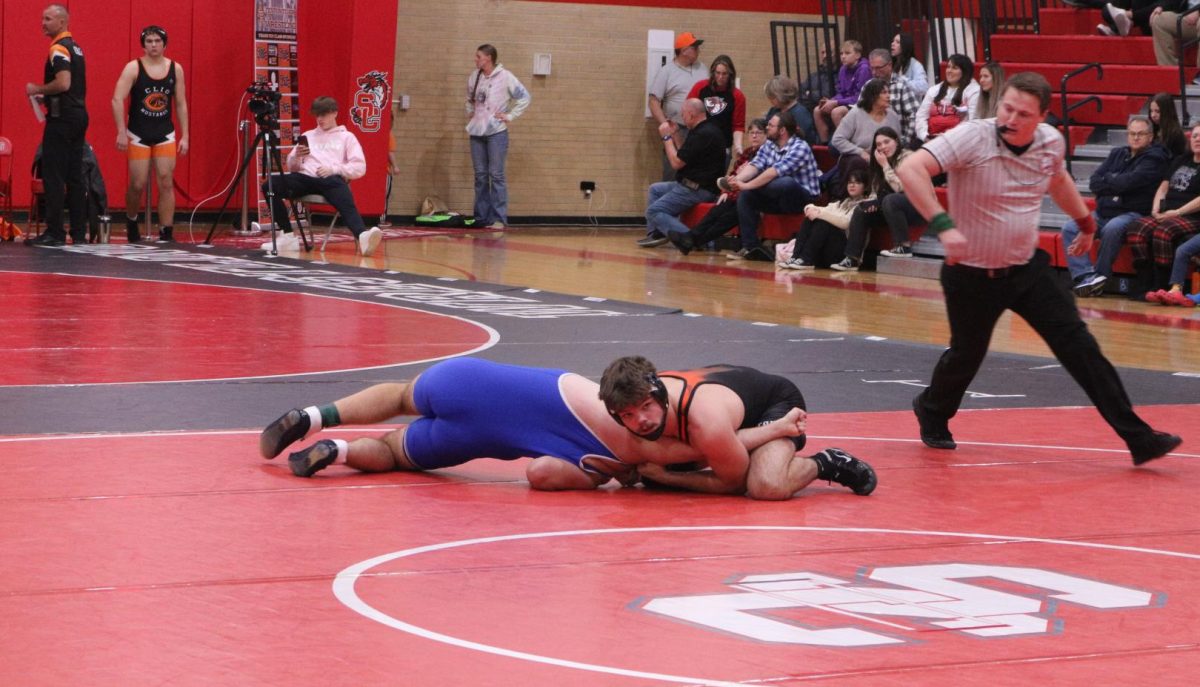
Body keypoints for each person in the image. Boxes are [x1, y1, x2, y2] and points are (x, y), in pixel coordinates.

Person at [897, 71, 1182, 466]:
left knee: (1081, 347)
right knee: (967, 354)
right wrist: (944, 227)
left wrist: (1085, 221)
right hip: (972, 272)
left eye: (1023, 113)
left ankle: (1139, 438)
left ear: (1043, 117)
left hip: (1026, 269)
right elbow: (910, 169)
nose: (1010, 118)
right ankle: (932, 408)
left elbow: (1058, 179)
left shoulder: (1050, 142)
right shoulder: (971, 136)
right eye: (1006, 107)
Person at [260, 357, 806, 491]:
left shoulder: (615, 398)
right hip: (513, 439)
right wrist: (776, 432)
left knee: (403, 396)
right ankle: (342, 450)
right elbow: (707, 465)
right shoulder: (645, 438)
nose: (641, 421)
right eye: (635, 415)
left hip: (478, 380)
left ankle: (320, 421)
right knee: (399, 451)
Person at [598, 356, 877, 500]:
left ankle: (827, 462)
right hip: (725, 419)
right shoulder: (637, 415)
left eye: (646, 406)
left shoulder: (704, 419)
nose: (640, 421)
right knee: (663, 461)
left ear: (658, 393)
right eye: (628, 414)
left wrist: (669, 478)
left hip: (771, 404)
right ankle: (735, 443)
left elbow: (733, 483)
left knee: (766, 485)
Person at [1059, 115, 1168, 297]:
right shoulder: (1117, 153)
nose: (1135, 137)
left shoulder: (1155, 158)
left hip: (1133, 213)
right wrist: (1116, 182)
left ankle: (1100, 278)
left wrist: (1110, 180)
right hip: (1104, 211)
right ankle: (1085, 276)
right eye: (1132, 133)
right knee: (1070, 227)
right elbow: (1094, 182)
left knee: (1113, 228)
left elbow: (1128, 182)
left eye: (1141, 134)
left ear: (1150, 137)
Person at [258, 96, 382, 256]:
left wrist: (334, 169)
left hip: (330, 178)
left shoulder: (347, 137)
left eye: (323, 114)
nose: (320, 119)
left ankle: (361, 235)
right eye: (317, 115)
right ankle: (287, 235)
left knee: (343, 194)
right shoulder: (308, 135)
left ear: (334, 113)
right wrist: (296, 156)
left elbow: (360, 167)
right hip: (304, 178)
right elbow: (292, 167)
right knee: (269, 185)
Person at [111, 25, 188, 244]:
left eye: (157, 41)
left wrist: (186, 135)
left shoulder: (176, 69)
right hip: (138, 134)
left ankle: (166, 231)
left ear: (164, 43)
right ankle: (132, 220)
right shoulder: (133, 68)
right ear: (143, 45)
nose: (153, 45)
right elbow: (117, 98)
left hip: (165, 132)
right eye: (149, 41)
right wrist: (120, 132)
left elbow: (181, 103)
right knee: (137, 183)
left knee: (165, 181)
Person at [25, 4, 88, 248]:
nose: (42, 23)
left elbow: (63, 83)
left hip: (62, 119)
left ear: (62, 22)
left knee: (53, 175)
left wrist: (37, 89)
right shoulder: (77, 48)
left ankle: (54, 232)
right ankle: (79, 232)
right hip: (78, 114)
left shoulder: (59, 48)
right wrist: (48, 98)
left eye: (48, 19)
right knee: (75, 176)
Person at [724, 111, 822, 261]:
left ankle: (748, 189)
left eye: (770, 125)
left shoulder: (800, 147)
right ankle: (751, 246)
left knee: (785, 182)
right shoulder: (769, 145)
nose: (767, 127)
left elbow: (773, 172)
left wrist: (747, 185)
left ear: (782, 131)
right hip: (777, 196)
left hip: (802, 200)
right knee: (746, 196)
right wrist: (736, 181)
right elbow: (755, 165)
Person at [1124, 121, 1200, 298]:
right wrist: (1155, 209)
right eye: (1195, 136)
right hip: (1169, 212)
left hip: (1192, 216)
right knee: (1137, 228)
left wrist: (1178, 212)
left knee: (1164, 231)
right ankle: (1144, 282)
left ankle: (1163, 284)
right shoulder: (1181, 160)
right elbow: (1163, 186)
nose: (1198, 140)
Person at [669, 118, 766, 255]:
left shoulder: (766, 153)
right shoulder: (747, 153)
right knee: (720, 208)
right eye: (752, 133)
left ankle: (692, 240)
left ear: (766, 135)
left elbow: (759, 179)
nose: (754, 136)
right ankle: (692, 239)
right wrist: (726, 192)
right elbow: (733, 174)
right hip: (737, 193)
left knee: (731, 213)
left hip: (752, 195)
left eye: (759, 133)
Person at [641, 99, 725, 248]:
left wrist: (666, 138)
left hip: (697, 189)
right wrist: (676, 135)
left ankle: (694, 240)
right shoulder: (705, 129)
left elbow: (676, 163)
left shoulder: (703, 134)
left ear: (691, 115)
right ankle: (657, 234)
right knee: (655, 189)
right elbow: (685, 157)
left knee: (654, 211)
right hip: (691, 184)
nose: (682, 118)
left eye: (683, 114)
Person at [466, 43, 530, 229]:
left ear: (488, 58)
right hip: (477, 132)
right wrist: (471, 111)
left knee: (496, 175)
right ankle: (481, 217)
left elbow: (524, 97)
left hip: (496, 133)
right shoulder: (474, 76)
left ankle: (498, 218)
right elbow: (469, 98)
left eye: (478, 56)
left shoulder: (505, 77)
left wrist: (510, 115)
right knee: (480, 176)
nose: (475, 59)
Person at [837, 126, 915, 269]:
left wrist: (885, 165)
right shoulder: (878, 163)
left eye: (887, 142)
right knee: (861, 210)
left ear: (896, 141)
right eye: (879, 144)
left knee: (891, 199)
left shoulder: (908, 157)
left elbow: (900, 188)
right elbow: (875, 191)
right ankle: (852, 258)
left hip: (916, 207)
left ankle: (903, 246)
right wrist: (871, 202)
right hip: (891, 209)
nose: (883, 147)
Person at [778, 166, 872, 270]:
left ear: (865, 186)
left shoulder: (865, 205)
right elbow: (824, 209)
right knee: (810, 218)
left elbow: (846, 222)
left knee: (823, 222)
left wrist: (819, 214)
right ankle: (796, 256)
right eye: (850, 182)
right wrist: (810, 208)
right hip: (829, 249)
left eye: (857, 183)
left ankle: (806, 259)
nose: (852, 185)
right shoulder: (842, 202)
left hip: (845, 254)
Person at [649, 32, 707, 181]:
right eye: (694, 47)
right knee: (672, 172)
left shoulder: (703, 69)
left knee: (698, 170)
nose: (698, 50)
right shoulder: (667, 71)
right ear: (683, 50)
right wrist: (665, 125)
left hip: (700, 129)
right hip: (678, 129)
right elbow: (654, 101)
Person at [688, 55, 746, 158]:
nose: (720, 77)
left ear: (730, 75)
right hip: (699, 143)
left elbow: (738, 126)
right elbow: (687, 110)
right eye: (718, 73)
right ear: (713, 73)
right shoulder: (700, 87)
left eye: (724, 74)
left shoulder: (737, 96)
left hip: (722, 146)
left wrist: (738, 146)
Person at [813, 40, 871, 144]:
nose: (843, 56)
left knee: (836, 112)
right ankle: (825, 144)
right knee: (818, 110)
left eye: (847, 53)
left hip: (859, 104)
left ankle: (847, 143)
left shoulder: (864, 69)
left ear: (857, 55)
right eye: (841, 53)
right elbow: (841, 92)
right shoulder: (843, 69)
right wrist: (831, 100)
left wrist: (836, 102)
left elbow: (859, 97)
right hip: (846, 102)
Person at [830, 78, 901, 161]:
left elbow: (898, 141)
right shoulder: (855, 114)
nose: (888, 96)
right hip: (860, 160)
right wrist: (860, 152)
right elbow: (837, 139)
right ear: (873, 96)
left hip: (887, 159)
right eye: (884, 93)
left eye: (889, 92)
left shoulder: (892, 115)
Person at [915, 54, 979, 142]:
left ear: (965, 72)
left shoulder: (973, 90)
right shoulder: (934, 90)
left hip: (958, 141)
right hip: (931, 140)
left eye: (955, 68)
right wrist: (925, 136)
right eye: (948, 67)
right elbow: (921, 117)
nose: (949, 71)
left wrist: (947, 138)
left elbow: (973, 121)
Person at [866, 48, 922, 148]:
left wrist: (905, 141)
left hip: (899, 138)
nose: (874, 72)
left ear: (889, 65)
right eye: (872, 68)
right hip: (873, 140)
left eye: (878, 68)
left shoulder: (902, 85)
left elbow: (914, 115)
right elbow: (861, 113)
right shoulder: (868, 86)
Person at [763, 74, 819, 146]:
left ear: (780, 95)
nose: (770, 101)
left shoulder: (800, 113)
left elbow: (807, 139)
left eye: (772, 97)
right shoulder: (773, 110)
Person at [1151, 1, 1200, 75]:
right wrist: (1161, 7)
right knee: (1159, 20)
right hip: (1187, 17)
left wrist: (1198, 11)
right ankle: (1170, 74)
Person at [1149, 92, 1186, 158]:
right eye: (1151, 111)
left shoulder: (1175, 134)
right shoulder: (1154, 129)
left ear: (1167, 111)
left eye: (1157, 111)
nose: (1153, 115)